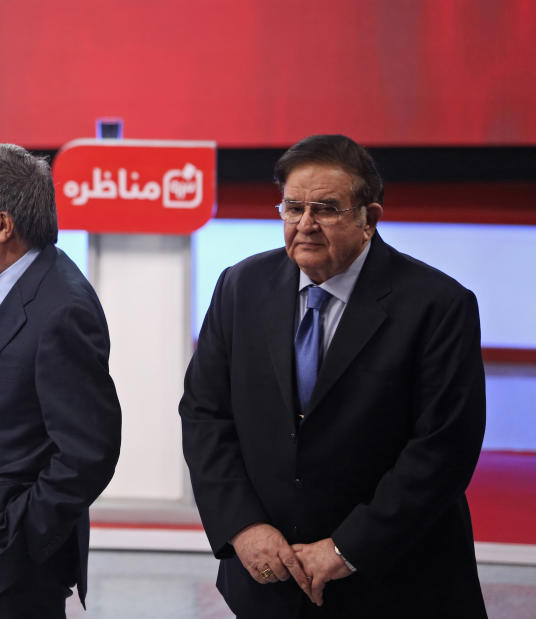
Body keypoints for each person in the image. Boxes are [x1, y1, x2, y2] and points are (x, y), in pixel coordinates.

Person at [180, 134, 487, 618]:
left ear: (370, 219)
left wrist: (346, 549)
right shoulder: (240, 286)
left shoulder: (438, 306)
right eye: (292, 207)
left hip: (396, 583)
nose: (305, 224)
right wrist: (242, 528)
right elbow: (204, 414)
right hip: (270, 579)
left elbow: (443, 448)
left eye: (326, 208)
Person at [0, 143, 122, 619]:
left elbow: (88, 453)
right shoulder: (1, 278)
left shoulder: (63, 308)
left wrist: (16, 537)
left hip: (13, 570)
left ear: (1, 225)